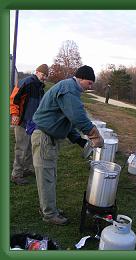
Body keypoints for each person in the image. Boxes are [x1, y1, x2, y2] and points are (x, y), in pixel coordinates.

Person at [31, 65, 104, 225]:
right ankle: (49, 214)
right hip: (44, 137)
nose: (90, 87)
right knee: (47, 178)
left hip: (49, 138)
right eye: (89, 83)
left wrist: (78, 139)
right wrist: (94, 134)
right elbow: (78, 116)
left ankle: (48, 207)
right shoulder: (69, 89)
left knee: (49, 176)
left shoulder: (70, 88)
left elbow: (68, 119)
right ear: (81, 78)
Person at [10, 64, 49, 185]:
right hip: (22, 121)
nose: (44, 78)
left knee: (29, 148)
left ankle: (26, 169)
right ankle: (16, 175)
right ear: (37, 72)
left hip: (33, 123)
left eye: (46, 76)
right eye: (43, 75)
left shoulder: (40, 87)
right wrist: (15, 114)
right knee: (21, 148)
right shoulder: (26, 82)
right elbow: (13, 99)